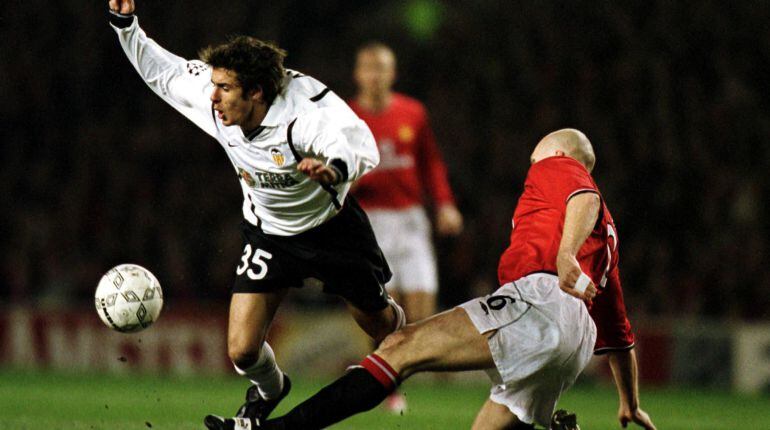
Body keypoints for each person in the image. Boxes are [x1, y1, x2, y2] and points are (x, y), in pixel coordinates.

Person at [204, 129, 657, 430]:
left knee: (400, 349)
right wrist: (629, 401)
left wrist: (562, 256)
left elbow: (584, 198)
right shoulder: (608, 241)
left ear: (557, 153)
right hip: (575, 341)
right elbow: (618, 332)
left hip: (539, 300)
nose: (531, 160)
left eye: (536, 152)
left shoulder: (558, 167)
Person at [107, 0, 406, 423]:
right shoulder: (219, 99)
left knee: (383, 330)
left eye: (225, 89)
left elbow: (352, 144)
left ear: (257, 92)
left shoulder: (304, 113)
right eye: (214, 85)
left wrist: (334, 170)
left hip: (331, 229)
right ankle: (271, 388)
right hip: (269, 234)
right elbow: (166, 73)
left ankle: (402, 324)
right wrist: (125, 26)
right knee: (242, 351)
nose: (213, 98)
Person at [350, 41, 463, 413]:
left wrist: (444, 203)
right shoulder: (347, 116)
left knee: (421, 310)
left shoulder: (413, 113)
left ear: (392, 74)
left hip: (411, 218)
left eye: (382, 68)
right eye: (369, 67)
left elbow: (431, 163)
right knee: (384, 310)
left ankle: (392, 374)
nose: (376, 75)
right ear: (358, 74)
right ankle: (387, 387)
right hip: (371, 220)